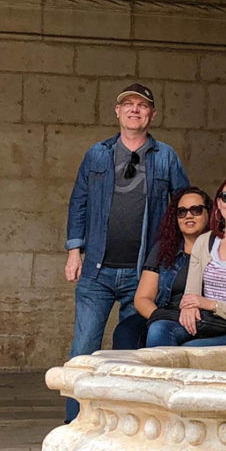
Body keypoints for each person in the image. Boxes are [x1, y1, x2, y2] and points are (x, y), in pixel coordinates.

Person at [63, 83, 189, 423]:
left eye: (142, 105)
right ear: (117, 112)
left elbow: (184, 206)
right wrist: (75, 250)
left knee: (132, 351)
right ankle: (75, 422)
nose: (135, 109)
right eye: (128, 105)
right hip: (97, 270)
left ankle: (125, 423)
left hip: (143, 275)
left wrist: (177, 257)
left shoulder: (166, 157)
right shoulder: (97, 154)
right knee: (83, 350)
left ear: (152, 115)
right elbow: (79, 202)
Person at [146, 175, 226, 348]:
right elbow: (191, 295)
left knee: (189, 350)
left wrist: (211, 305)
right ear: (219, 204)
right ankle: (156, 376)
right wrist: (189, 308)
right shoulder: (205, 242)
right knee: (159, 329)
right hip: (207, 324)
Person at [110, 188, 213, 349]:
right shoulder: (164, 249)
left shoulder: (220, 249)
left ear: (209, 214)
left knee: (160, 331)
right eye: (182, 212)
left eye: (196, 210)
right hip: (163, 313)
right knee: (126, 329)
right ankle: (126, 374)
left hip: (201, 319)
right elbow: (142, 298)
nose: (189, 215)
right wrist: (160, 317)